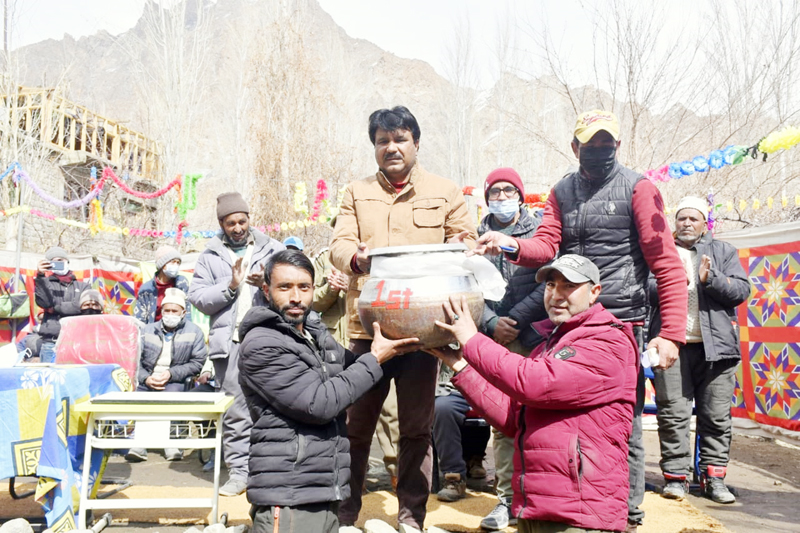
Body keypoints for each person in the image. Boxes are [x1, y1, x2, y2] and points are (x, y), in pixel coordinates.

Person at [474, 109, 687, 532]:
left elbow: (666, 263)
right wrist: (510, 244)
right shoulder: (561, 192)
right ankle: (565, 503)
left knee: (621, 426)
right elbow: (547, 246)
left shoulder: (639, 189)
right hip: (570, 319)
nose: (600, 151)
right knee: (559, 418)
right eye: (591, 144)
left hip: (624, 322)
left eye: (607, 143)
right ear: (575, 147)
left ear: (618, 147)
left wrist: (672, 334)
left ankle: (627, 515)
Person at [330, 105, 477, 532]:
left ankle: (411, 518)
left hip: (423, 333)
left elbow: (464, 239)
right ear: (374, 146)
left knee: (415, 431)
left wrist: (461, 249)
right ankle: (344, 516)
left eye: (399, 139)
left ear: (416, 142)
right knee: (354, 429)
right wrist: (356, 257)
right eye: (382, 141)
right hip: (368, 331)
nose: (391, 148)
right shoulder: (355, 192)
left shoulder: (445, 191)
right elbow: (339, 243)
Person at [429, 254, 638, 533]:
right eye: (551, 285)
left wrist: (472, 339)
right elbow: (512, 419)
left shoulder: (607, 340)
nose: (556, 295)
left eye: (568, 286)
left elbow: (534, 383)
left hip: (580, 514)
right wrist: (461, 366)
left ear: (594, 293)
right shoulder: (550, 344)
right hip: (537, 508)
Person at [238, 250, 422, 533]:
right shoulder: (262, 343)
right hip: (289, 498)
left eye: (304, 287)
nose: (296, 297)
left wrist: (415, 344)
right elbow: (319, 403)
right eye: (284, 287)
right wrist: (375, 359)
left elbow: (355, 372)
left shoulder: (313, 335)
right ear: (266, 290)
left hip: (323, 491)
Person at [650, 196, 750, 504]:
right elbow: (643, 289)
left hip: (717, 352)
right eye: (682, 218)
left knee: (716, 417)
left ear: (705, 224)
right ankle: (675, 478)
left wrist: (711, 279)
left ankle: (713, 479)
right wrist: (670, 282)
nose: (687, 223)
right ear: (674, 222)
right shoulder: (659, 252)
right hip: (672, 348)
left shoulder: (723, 252)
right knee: (673, 415)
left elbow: (741, 291)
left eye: (694, 218)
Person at [187, 191, 284, 497]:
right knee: (236, 412)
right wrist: (230, 286)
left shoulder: (273, 248)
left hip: (269, 341)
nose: (238, 227)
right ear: (221, 224)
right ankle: (239, 472)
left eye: (242, 221)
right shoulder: (209, 256)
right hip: (229, 346)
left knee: (274, 407)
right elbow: (197, 298)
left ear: (249, 219)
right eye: (231, 223)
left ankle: (272, 472)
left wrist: (268, 286)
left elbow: (294, 288)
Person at [475, 167, 548, 529]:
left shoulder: (539, 232)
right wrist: (491, 323)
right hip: (491, 339)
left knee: (539, 417)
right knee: (503, 421)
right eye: (495, 191)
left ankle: (539, 497)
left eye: (508, 191)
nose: (502, 197)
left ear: (521, 195)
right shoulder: (473, 235)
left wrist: (514, 320)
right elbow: (466, 284)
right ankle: (506, 499)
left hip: (534, 335)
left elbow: (546, 283)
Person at [127, 287, 207, 463]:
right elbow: (134, 360)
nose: (170, 314)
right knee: (139, 397)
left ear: (183, 312)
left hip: (175, 378)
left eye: (174, 311)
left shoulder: (194, 332)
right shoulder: (147, 331)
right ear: (161, 311)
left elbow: (197, 363)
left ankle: (172, 442)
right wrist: (146, 378)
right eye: (166, 311)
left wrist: (170, 374)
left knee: (171, 395)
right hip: (148, 376)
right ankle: (140, 443)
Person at [34, 246, 89, 363]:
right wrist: (40, 276)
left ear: (67, 262)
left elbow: (83, 307)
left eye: (61, 260)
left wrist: (55, 308)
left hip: (76, 343)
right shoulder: (45, 283)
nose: (58, 263)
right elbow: (45, 303)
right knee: (49, 379)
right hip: (51, 343)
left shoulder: (83, 286)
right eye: (54, 261)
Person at [134, 245, 192, 324]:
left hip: (178, 332)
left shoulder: (181, 283)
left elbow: (187, 312)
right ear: (162, 264)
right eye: (172, 262)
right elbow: (139, 319)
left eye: (178, 263)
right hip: (153, 332)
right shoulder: (146, 289)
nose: (175, 265)